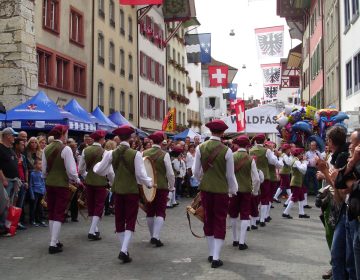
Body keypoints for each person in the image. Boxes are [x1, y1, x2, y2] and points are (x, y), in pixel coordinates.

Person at [94, 125, 152, 263]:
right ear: (131, 137)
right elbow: (141, 175)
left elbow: (100, 170)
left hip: (117, 190)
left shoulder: (110, 153)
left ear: (119, 138)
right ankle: (123, 250)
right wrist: (150, 183)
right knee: (130, 220)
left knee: (119, 220)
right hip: (131, 191)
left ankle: (124, 249)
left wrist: (98, 168)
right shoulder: (136, 154)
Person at [193, 119, 238, 268]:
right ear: (223, 133)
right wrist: (233, 190)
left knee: (208, 219)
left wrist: (204, 179)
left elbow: (195, 172)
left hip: (205, 189)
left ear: (211, 131)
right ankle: (216, 257)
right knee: (219, 220)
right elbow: (230, 176)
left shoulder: (200, 147)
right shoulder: (227, 151)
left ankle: (212, 253)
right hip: (221, 191)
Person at [41, 125, 82, 254]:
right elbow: (71, 171)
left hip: (49, 183)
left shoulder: (46, 148)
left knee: (52, 212)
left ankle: (55, 240)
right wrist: (77, 180)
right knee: (59, 213)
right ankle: (53, 243)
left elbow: (43, 170)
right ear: (63, 134)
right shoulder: (66, 149)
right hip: (61, 184)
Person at [143, 131, 175, 247]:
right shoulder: (164, 154)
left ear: (152, 141)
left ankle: (152, 236)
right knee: (161, 211)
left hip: (147, 186)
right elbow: (170, 174)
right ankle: (156, 236)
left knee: (150, 211)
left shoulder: (144, 153)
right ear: (162, 141)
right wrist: (171, 186)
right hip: (161, 185)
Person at [229, 135, 260, 250]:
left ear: (237, 145)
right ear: (247, 145)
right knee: (245, 215)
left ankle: (234, 239)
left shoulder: (231, 156)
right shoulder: (250, 159)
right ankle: (242, 242)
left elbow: (228, 174)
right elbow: (256, 179)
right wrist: (255, 191)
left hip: (233, 190)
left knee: (233, 214)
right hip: (246, 190)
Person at [78, 130, 108, 241]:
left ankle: (94, 229)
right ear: (101, 139)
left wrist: (87, 175)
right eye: (104, 139)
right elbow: (108, 170)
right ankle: (92, 230)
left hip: (89, 181)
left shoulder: (85, 150)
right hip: (100, 181)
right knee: (99, 205)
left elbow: (81, 169)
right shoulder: (105, 152)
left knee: (90, 204)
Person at [249, 134, 280, 227]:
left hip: (254, 176)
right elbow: (273, 162)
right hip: (265, 176)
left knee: (255, 197)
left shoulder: (251, 150)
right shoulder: (267, 151)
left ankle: (256, 218)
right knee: (264, 198)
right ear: (264, 141)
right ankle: (262, 219)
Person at [0, 128, 19, 235]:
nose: (14, 138)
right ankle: (2, 226)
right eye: (13, 135)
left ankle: (8, 226)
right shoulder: (0, 148)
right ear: (8, 136)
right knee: (4, 205)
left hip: (13, 180)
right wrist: (3, 179)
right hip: (5, 180)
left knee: (10, 205)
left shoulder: (10, 149)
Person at [282, 148, 310, 219]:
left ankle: (301, 213)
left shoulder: (295, 160)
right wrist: (305, 162)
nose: (302, 155)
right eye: (301, 154)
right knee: (294, 198)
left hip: (297, 181)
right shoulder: (296, 161)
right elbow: (303, 170)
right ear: (298, 154)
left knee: (301, 197)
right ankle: (285, 212)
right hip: (296, 182)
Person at [13, 137, 28, 230]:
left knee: (20, 204)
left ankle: (16, 222)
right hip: (14, 182)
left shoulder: (23, 157)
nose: (23, 146)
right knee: (13, 203)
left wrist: (26, 181)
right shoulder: (12, 155)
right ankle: (11, 223)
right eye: (22, 144)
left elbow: (26, 169)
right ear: (16, 145)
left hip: (22, 182)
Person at [29, 159, 46, 227]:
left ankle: (40, 220)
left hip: (41, 192)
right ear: (35, 165)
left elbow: (43, 182)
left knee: (40, 207)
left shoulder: (42, 173)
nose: (41, 165)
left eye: (41, 164)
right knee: (34, 207)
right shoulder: (32, 174)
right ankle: (32, 220)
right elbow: (30, 184)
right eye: (39, 164)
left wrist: (44, 191)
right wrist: (32, 194)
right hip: (35, 192)